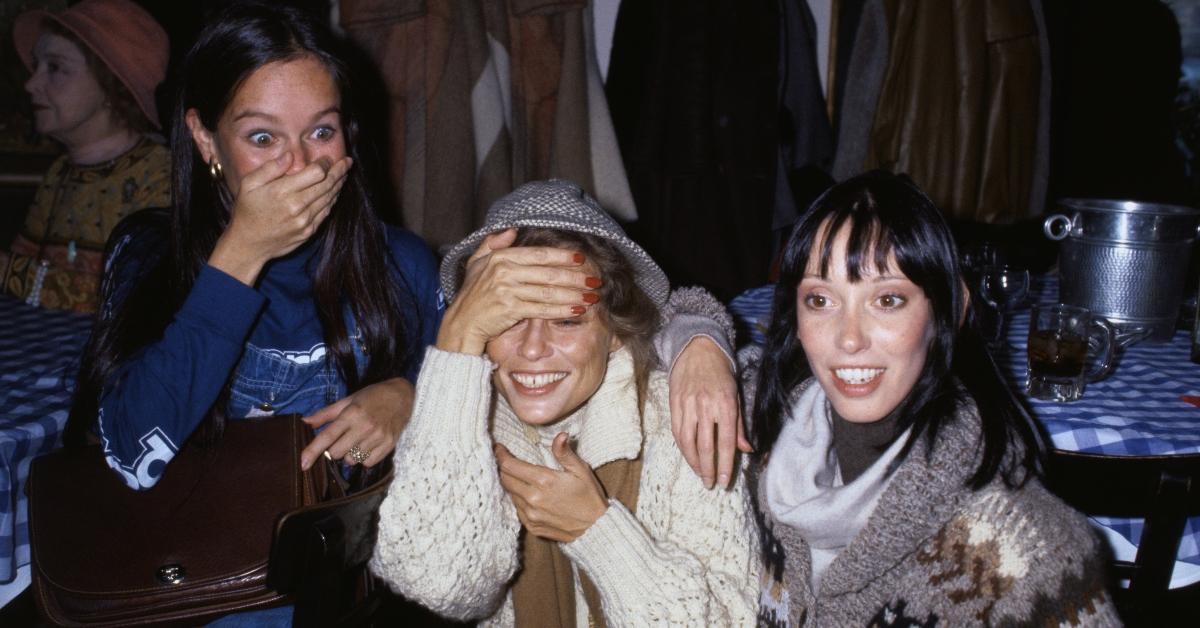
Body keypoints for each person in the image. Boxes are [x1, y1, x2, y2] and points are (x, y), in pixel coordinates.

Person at [675, 170, 1117, 625]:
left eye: (887, 300)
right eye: (821, 300)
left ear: (951, 309)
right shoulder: (765, 423)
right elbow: (645, 310)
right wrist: (700, 345)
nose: (849, 339)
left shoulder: (1025, 550)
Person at [370, 180, 762, 626]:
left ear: (614, 331)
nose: (533, 348)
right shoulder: (460, 420)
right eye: (509, 319)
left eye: (566, 321)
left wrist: (597, 532)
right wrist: (456, 345)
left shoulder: (679, 421)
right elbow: (436, 585)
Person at [2, 0, 170, 312]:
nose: (30, 83)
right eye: (37, 66)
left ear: (110, 84)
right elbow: (20, 266)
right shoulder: (60, 171)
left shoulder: (158, 177)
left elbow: (128, 296)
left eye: (55, 67)